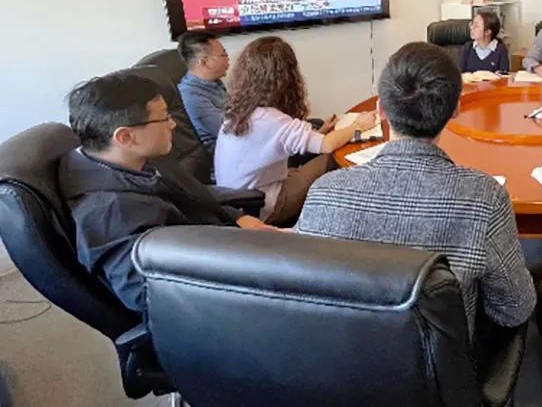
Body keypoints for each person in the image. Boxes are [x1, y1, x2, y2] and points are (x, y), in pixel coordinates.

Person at [297, 42, 535, 338]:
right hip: (441, 362)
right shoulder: (483, 199)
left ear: (381, 109)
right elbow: (514, 309)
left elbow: (300, 299)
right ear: (455, 109)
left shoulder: (324, 193)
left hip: (339, 357)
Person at [60, 72, 276, 314]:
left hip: (227, 247)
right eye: (164, 117)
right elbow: (148, 296)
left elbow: (193, 196)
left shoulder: (138, 160)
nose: (173, 124)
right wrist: (249, 268)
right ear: (125, 136)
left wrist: (237, 218)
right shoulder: (110, 213)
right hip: (224, 294)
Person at [214, 37, 375, 224]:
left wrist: (322, 131)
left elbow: (280, 142)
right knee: (333, 159)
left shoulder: (239, 110)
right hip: (264, 205)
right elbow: (327, 146)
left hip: (237, 200)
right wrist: (357, 126)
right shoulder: (270, 119)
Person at [177, 31, 229, 156]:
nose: (228, 58)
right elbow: (227, 130)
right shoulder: (191, 95)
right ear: (204, 62)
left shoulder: (214, 82)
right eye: (224, 54)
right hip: (220, 151)